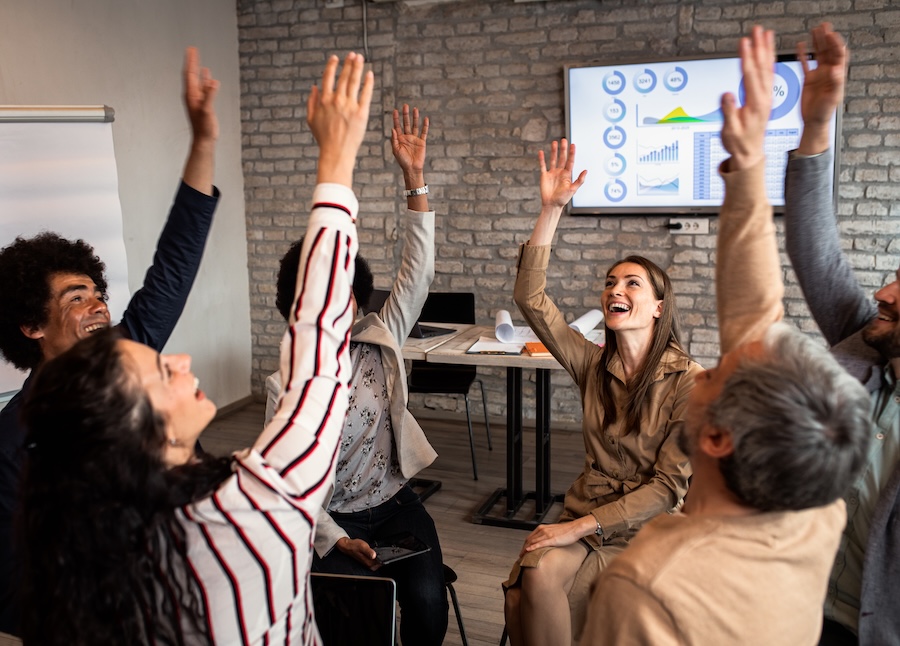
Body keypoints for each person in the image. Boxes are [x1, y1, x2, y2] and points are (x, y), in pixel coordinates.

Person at [17, 51, 373, 645]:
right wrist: (335, 162)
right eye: (161, 373)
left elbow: (174, 262)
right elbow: (318, 352)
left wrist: (203, 142)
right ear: (150, 436)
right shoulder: (251, 515)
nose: (180, 358)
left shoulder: (98, 550)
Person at [582, 25, 871, 645]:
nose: (705, 368)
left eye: (716, 376)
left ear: (714, 435)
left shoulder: (649, 589)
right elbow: (756, 314)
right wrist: (748, 165)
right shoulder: (815, 511)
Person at [0, 47, 220, 636]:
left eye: (98, 291)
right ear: (31, 325)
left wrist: (201, 143)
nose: (99, 304)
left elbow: (175, 262)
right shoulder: (13, 438)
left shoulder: (128, 349)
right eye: (76, 297)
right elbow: (11, 578)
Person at [503, 138, 703, 645]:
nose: (616, 289)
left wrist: (575, 528)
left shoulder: (689, 381)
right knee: (532, 579)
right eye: (611, 282)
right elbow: (531, 299)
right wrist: (551, 210)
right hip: (585, 511)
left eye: (633, 284)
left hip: (647, 528)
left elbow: (667, 489)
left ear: (659, 307)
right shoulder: (593, 363)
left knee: (540, 583)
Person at [265, 104, 449, 646]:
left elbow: (419, 273)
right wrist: (336, 538)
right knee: (357, 621)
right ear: (297, 303)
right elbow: (286, 486)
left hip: (395, 505)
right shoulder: (286, 381)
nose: (336, 302)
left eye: (342, 288)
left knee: (425, 605)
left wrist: (413, 179)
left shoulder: (378, 336)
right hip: (331, 521)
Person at [782, 23, 900, 645]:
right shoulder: (864, 341)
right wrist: (817, 125)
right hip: (805, 610)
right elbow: (813, 247)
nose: (882, 293)